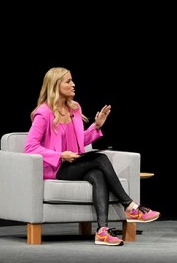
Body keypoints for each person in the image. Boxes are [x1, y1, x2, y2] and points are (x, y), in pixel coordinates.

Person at [24, 67, 160, 246]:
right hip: (56, 168)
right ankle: (130, 206)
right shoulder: (44, 113)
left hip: (73, 163)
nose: (73, 84)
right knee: (101, 159)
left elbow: (80, 141)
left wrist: (96, 126)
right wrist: (59, 155)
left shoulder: (74, 108)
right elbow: (30, 147)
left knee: (98, 175)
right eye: (68, 81)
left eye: (72, 80)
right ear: (55, 86)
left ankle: (102, 231)